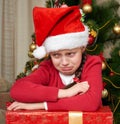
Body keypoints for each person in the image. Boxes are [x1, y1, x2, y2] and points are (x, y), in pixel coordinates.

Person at [7, 6, 102, 111]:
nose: (64, 62)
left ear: (82, 48)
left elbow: (91, 103)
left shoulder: (92, 63)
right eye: (56, 55)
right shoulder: (48, 68)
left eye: (70, 54)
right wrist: (65, 93)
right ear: (50, 54)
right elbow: (18, 90)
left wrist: (41, 105)